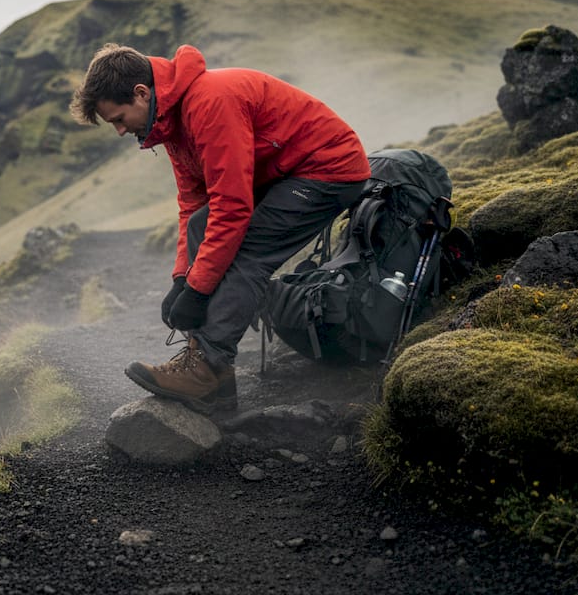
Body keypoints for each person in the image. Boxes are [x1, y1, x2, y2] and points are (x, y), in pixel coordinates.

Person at [69, 43, 371, 414]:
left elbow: (232, 209)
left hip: (328, 169)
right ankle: (214, 382)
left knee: (247, 253)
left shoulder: (209, 103)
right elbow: (194, 205)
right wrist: (182, 277)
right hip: (284, 171)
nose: (118, 130)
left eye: (118, 118)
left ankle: (207, 368)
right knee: (201, 225)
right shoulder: (171, 121)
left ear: (141, 93)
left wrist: (197, 290)